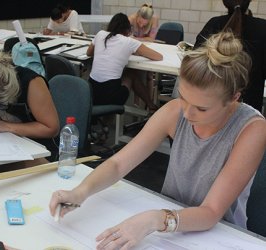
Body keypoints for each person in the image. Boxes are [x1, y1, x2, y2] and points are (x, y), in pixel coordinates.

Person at [49, 32, 266, 249]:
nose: (188, 113)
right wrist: (80, 192)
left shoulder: (251, 129)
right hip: (170, 219)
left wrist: (154, 219)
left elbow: (211, 212)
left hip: (220, 233)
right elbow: (118, 164)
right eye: (183, 97)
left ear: (234, 98)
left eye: (201, 108)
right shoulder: (175, 112)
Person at [194, 0, 266, 113]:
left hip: (209, 109)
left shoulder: (213, 24)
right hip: (248, 112)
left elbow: (196, 65)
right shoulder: (263, 28)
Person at [87, 13, 162, 109]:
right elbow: (158, 56)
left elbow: (89, 53)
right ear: (127, 29)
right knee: (131, 74)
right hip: (112, 97)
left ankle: (146, 105)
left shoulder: (100, 34)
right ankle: (150, 105)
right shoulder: (129, 42)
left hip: (91, 93)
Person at [128, 3, 160, 111]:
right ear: (137, 16)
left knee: (150, 75)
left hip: (146, 49)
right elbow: (125, 38)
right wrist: (142, 39)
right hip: (134, 51)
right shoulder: (131, 19)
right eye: (140, 22)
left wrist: (136, 39)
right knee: (136, 72)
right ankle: (137, 104)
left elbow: (152, 39)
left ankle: (149, 104)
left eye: (145, 24)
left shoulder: (154, 19)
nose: (141, 26)